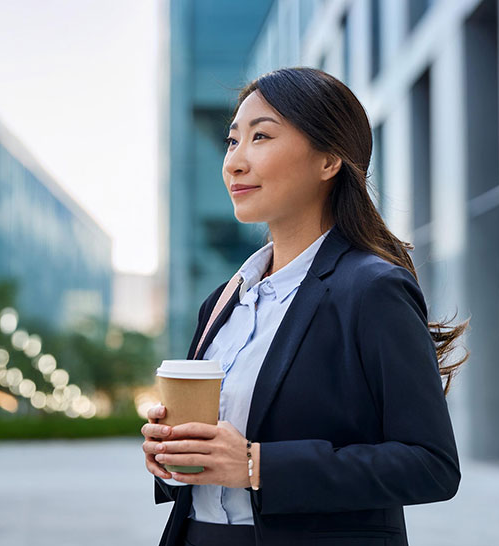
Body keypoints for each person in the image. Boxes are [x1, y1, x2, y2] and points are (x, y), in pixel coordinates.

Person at [141, 66, 470, 546]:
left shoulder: (373, 288)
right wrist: (173, 458)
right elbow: (215, 461)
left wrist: (257, 466)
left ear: (329, 159)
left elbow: (431, 465)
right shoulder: (224, 301)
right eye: (233, 141)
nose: (234, 161)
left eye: (261, 137)